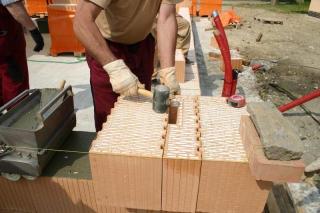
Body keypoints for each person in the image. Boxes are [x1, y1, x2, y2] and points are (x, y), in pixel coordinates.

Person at [74, 0, 182, 131]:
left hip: (142, 46)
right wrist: (114, 68)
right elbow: (82, 20)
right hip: (106, 49)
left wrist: (168, 71)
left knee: (140, 115)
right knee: (110, 125)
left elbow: (167, 17)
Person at [0, 0, 44, 106]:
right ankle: (17, 118)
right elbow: (14, 6)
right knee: (15, 82)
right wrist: (34, 31)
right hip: (6, 44)